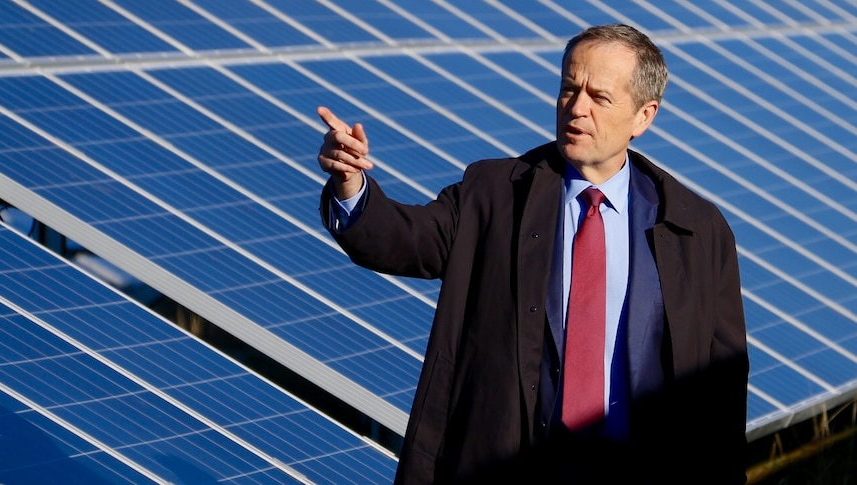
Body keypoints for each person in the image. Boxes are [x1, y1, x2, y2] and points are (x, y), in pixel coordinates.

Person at [317, 24, 748, 484]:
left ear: (644, 116)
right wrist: (352, 186)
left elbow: (722, 386)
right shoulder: (495, 194)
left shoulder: (696, 231)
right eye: (569, 88)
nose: (576, 108)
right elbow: (408, 239)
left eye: (599, 98)